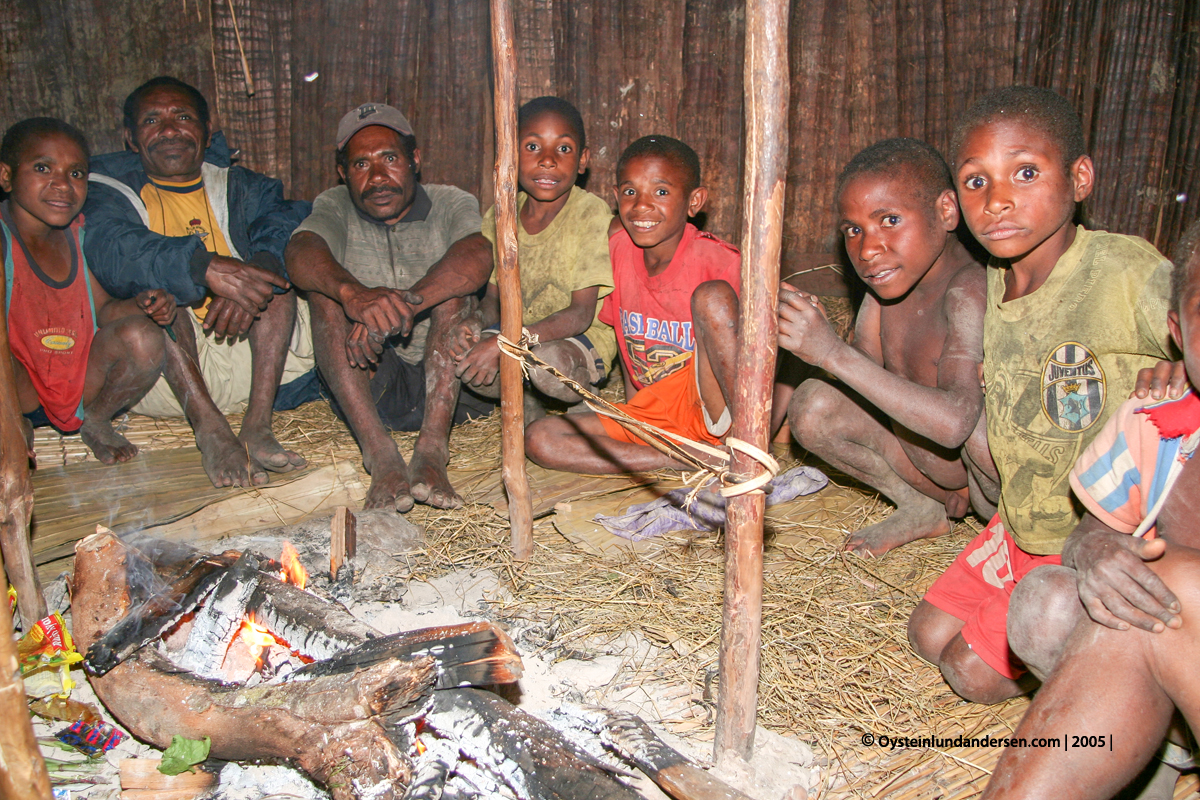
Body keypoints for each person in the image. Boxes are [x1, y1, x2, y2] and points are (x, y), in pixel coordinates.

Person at [905, 85, 1174, 704]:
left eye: (1025, 173)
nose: (998, 201)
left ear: (1080, 178)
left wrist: (1180, 369)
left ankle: (1121, 672)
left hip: (1097, 532)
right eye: (977, 182)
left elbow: (1190, 324)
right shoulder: (992, 286)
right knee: (928, 636)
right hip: (1022, 521)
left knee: (970, 675)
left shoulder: (1121, 272)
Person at [983, 220, 1200, 800]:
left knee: (1168, 576)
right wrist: (1099, 547)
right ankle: (1161, 749)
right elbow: (1087, 534)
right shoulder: (1160, 421)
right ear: (1178, 332)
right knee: (1049, 601)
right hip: (1166, 648)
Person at [81, 76, 314, 488]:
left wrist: (253, 273)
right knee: (158, 299)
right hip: (169, 371)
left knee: (275, 283)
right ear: (131, 138)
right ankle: (210, 429)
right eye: (152, 120)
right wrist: (206, 269)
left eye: (183, 116)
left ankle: (257, 425)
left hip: (258, 356)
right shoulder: (108, 191)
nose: (169, 129)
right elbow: (114, 250)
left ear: (208, 130)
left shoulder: (241, 186)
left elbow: (285, 222)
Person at [781, 138, 989, 557]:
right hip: (917, 463)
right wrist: (813, 334)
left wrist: (829, 352)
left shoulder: (968, 288)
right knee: (813, 404)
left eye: (890, 220)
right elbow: (863, 371)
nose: (868, 248)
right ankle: (919, 506)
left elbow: (956, 425)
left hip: (982, 484)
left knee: (983, 431)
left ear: (946, 211)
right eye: (853, 230)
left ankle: (1007, 534)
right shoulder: (884, 289)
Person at [285, 102, 494, 511]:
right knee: (324, 295)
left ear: (415, 160)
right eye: (361, 164)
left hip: (454, 387)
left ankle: (433, 451)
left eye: (390, 158)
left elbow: (477, 255)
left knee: (455, 289)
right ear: (344, 174)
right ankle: (380, 456)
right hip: (374, 381)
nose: (378, 177)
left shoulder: (449, 202)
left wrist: (401, 304)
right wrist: (354, 296)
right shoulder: (335, 205)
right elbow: (300, 252)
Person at [524, 135, 743, 473]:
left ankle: (737, 452)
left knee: (712, 296)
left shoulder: (720, 261)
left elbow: (771, 350)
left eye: (661, 192)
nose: (641, 206)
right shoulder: (617, 251)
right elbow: (627, 349)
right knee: (541, 438)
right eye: (630, 192)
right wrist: (633, 413)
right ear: (616, 197)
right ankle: (693, 459)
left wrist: (761, 431)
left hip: (713, 411)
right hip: (653, 416)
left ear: (694, 200)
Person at [0, 117, 176, 464]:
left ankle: (96, 419)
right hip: (15, 387)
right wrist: (8, 425)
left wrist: (145, 307)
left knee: (144, 336)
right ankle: (13, 424)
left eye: (76, 173)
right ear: (6, 176)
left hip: (76, 380)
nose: (63, 185)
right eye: (42, 168)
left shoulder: (76, 234)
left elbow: (103, 309)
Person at [454, 96, 615, 419]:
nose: (547, 160)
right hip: (518, 336)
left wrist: (508, 342)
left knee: (548, 364)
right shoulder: (502, 216)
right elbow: (493, 299)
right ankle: (530, 404)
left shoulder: (589, 214)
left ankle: (585, 404)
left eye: (564, 149)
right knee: (464, 359)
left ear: (583, 160)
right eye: (531, 147)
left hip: (577, 339)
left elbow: (581, 313)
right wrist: (477, 322)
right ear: (512, 155)